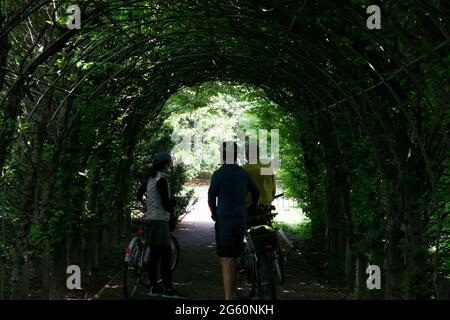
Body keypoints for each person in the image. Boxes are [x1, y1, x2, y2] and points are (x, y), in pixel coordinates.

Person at [208, 141, 260, 300]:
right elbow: (256, 193)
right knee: (235, 258)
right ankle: (231, 295)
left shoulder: (218, 174)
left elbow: (211, 198)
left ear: (222, 155)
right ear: (236, 155)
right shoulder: (243, 173)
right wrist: (249, 210)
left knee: (226, 259)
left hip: (225, 220)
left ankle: (228, 300)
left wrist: (214, 214)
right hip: (241, 219)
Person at [136, 152, 186, 299]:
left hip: (151, 219)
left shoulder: (150, 179)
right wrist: (174, 206)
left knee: (154, 256)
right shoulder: (162, 180)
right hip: (160, 221)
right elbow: (166, 202)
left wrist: (147, 205)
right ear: (165, 164)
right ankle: (168, 289)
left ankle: (155, 288)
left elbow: (139, 194)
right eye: (170, 163)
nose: (170, 166)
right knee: (166, 256)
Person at [243, 142, 276, 208]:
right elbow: (273, 189)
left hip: (251, 205)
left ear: (247, 154)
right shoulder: (267, 166)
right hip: (267, 204)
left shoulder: (245, 169)